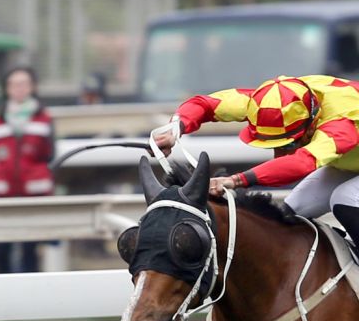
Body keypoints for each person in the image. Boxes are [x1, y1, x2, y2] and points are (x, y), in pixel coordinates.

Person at [151, 75, 359, 240]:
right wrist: (175, 129)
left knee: (344, 198)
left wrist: (235, 180)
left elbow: (301, 163)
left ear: (312, 123)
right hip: (351, 164)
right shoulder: (267, 102)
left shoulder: (341, 124)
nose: (279, 155)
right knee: (287, 214)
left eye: (289, 144)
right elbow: (204, 104)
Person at [0, 67, 55, 274]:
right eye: (14, 84)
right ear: (7, 89)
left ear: (32, 87)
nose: (19, 89)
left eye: (23, 84)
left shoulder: (43, 117)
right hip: (3, 194)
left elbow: (50, 153)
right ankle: (1, 292)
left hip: (33, 193)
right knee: (1, 247)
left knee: (29, 248)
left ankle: (31, 294)